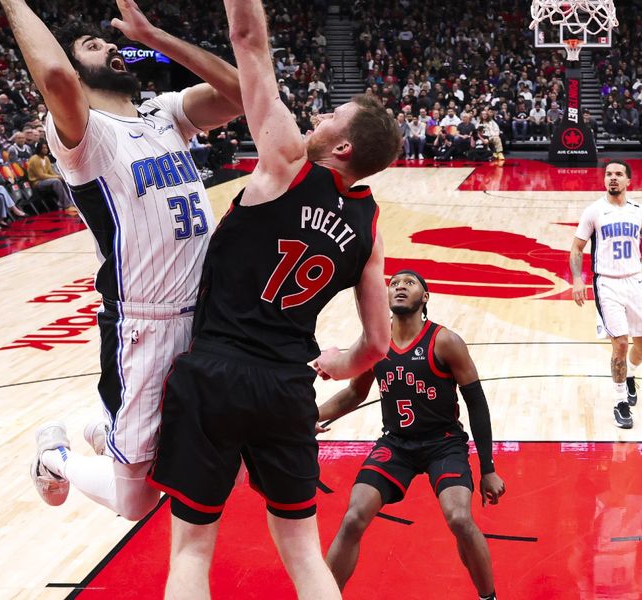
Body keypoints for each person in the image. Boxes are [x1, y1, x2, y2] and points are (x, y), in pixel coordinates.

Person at [148, 0, 401, 597]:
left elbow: (247, 39)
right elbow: (379, 343)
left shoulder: (285, 159)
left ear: (342, 148)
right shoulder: (369, 228)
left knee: (191, 548)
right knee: (304, 553)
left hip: (216, 374)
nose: (317, 117)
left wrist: (153, 36)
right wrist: (343, 361)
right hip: (288, 388)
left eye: (332, 116)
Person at [0, 0, 242, 520]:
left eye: (109, 43)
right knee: (136, 502)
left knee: (207, 455)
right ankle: (56, 454)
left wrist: (157, 38)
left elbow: (242, 94)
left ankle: (104, 430)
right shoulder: (85, 136)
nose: (110, 46)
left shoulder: (165, 112)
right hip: (143, 325)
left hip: (206, 313)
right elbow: (56, 78)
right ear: (73, 68)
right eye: (92, 45)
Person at [318, 270, 504, 600]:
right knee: (353, 518)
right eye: (394, 284)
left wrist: (487, 469)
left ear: (425, 297)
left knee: (460, 518)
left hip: (443, 443)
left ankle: (488, 597)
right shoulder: (375, 344)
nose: (400, 287)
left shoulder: (445, 341)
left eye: (410, 283)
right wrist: (310, 417)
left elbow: (477, 403)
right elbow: (353, 393)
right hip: (396, 443)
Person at [570, 160, 642, 428]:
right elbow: (577, 248)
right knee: (621, 344)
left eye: (618, 174)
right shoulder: (594, 211)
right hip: (607, 284)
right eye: (608, 174)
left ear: (629, 181)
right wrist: (577, 280)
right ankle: (620, 403)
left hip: (635, 282)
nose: (612, 178)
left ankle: (630, 376)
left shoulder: (639, 211)